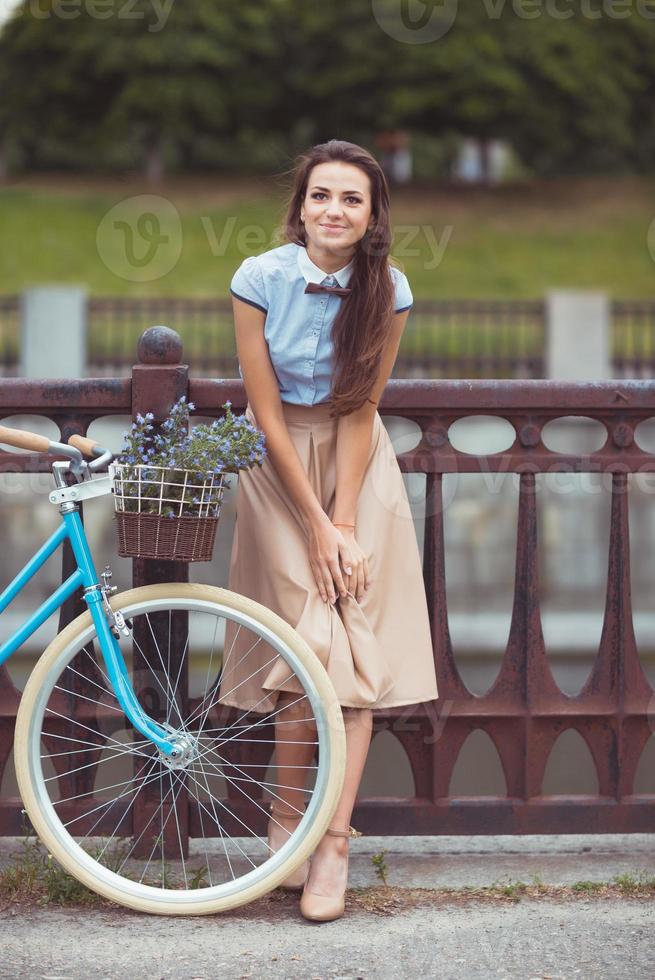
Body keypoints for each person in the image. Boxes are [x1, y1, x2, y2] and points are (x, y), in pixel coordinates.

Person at [217, 138, 439, 922]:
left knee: (348, 634)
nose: (333, 211)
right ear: (299, 206)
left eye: (351, 199)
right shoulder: (259, 278)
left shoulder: (391, 288)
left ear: (373, 215)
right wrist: (312, 523)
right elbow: (266, 410)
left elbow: (359, 406)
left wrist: (342, 519)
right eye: (320, 196)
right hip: (275, 467)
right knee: (294, 643)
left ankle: (333, 842)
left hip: (353, 463)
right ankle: (287, 827)